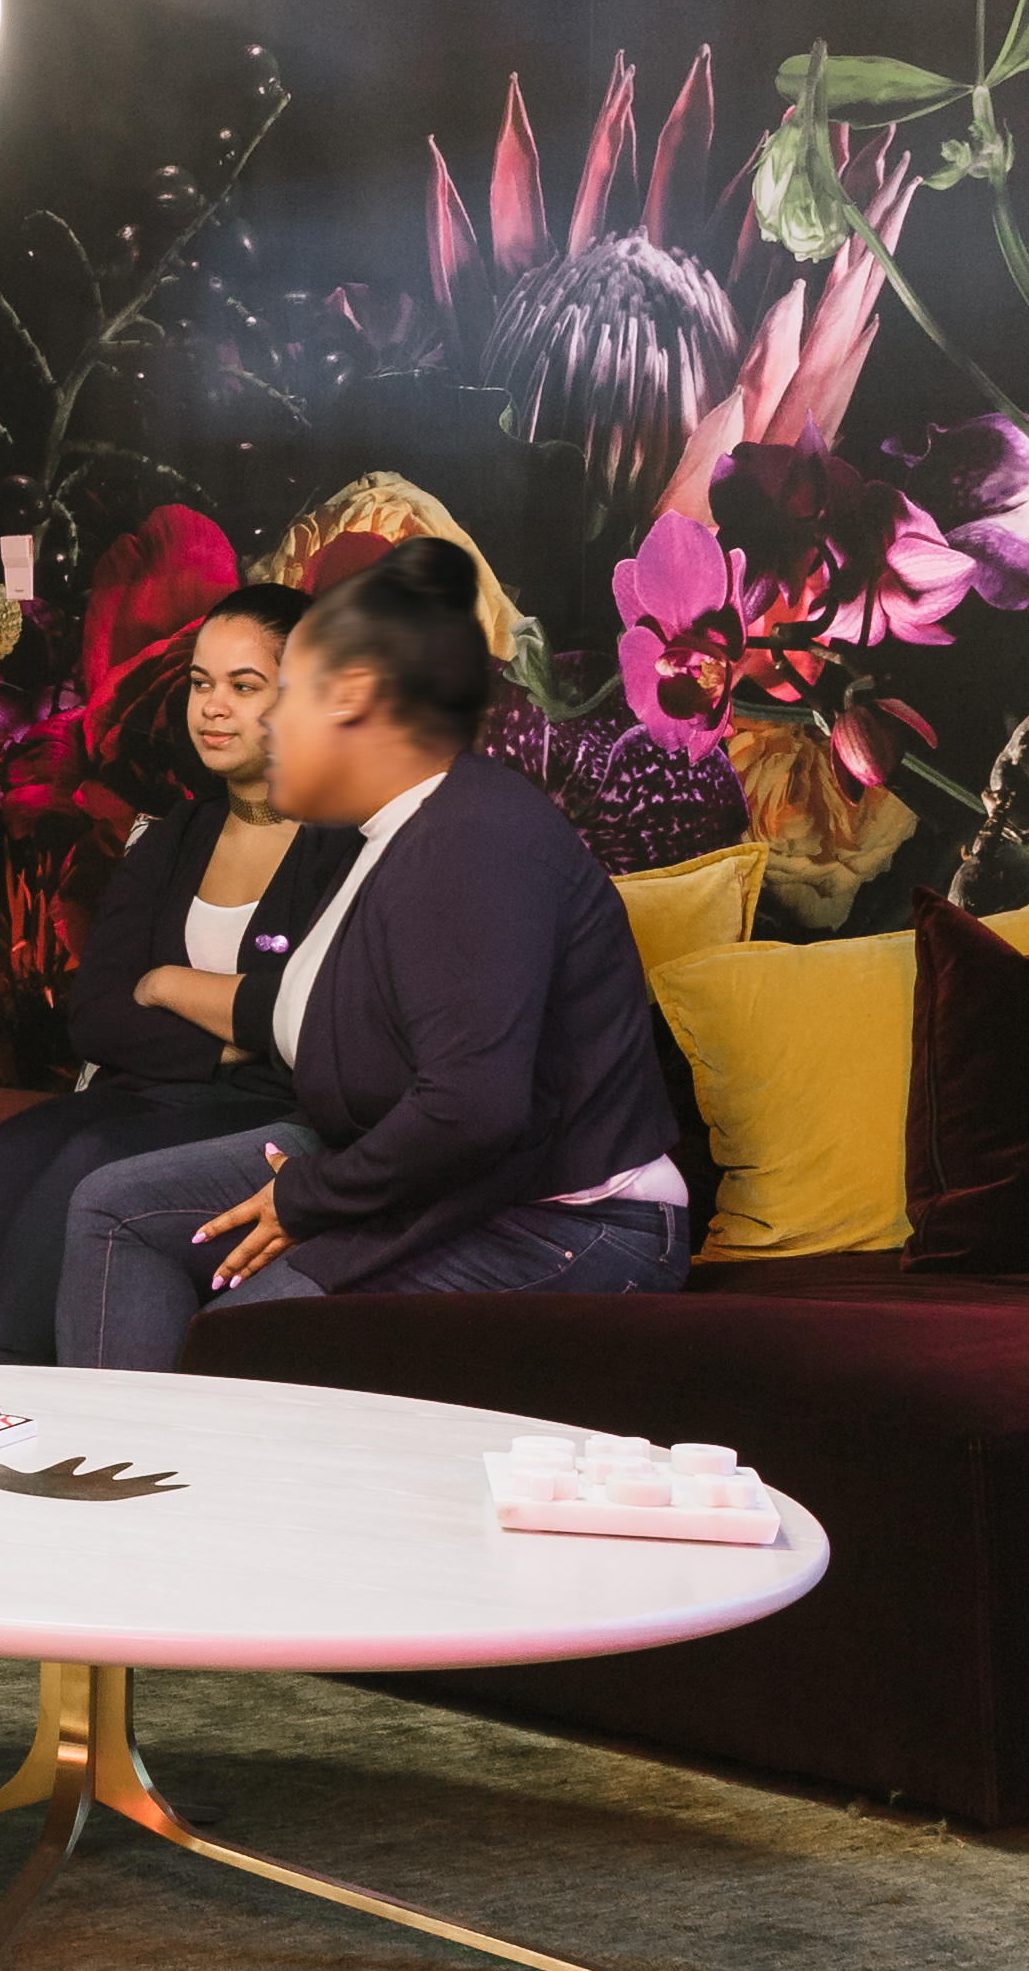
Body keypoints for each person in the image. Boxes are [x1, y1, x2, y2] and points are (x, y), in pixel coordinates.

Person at [55, 537, 691, 1370]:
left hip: (564, 1217)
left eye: (285, 699)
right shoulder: (382, 836)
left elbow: (475, 1109)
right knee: (116, 1209)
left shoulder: (469, 843)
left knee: (250, 1330)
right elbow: (295, 1010)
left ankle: (189, 1479)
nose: (267, 724)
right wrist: (164, 981)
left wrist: (311, 1198)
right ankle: (123, 1473)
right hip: (416, 1173)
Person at [0, 585, 353, 1368]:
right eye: (202, 684)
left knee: (88, 1158)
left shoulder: (341, 847)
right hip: (148, 1094)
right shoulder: (172, 840)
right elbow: (96, 1014)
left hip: (266, 1114)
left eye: (244, 686)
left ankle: (1, 1376)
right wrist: (228, 1037)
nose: (213, 707)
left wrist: (167, 983)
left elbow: (312, 1020)